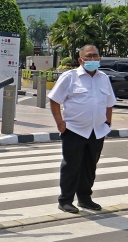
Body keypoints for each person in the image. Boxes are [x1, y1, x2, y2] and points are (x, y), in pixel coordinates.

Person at [48, 45, 116, 214]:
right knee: (71, 165)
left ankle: (85, 199)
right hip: (74, 129)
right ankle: (65, 200)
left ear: (100, 59)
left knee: (90, 166)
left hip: (97, 131)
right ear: (81, 60)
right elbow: (55, 100)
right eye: (89, 56)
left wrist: (107, 123)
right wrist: (60, 123)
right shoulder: (70, 77)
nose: (92, 59)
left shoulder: (104, 78)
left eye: (95, 56)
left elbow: (109, 102)